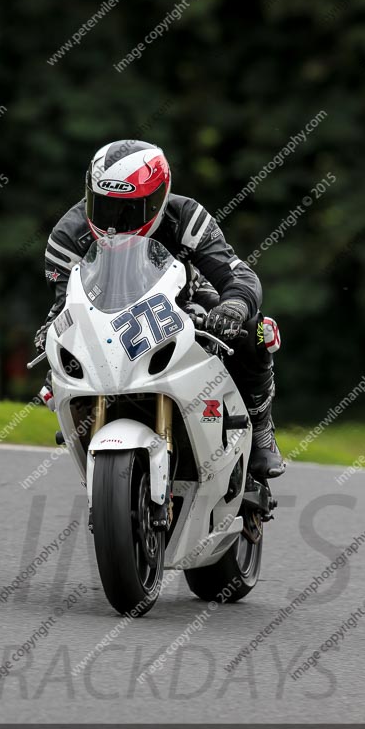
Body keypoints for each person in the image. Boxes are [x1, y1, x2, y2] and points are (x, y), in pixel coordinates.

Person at [34, 140, 285, 480]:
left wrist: (234, 306)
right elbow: (66, 301)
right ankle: (85, 425)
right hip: (103, 320)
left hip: (184, 303)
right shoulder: (68, 236)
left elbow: (237, 274)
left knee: (257, 329)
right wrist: (52, 327)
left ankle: (259, 428)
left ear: (158, 200)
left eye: (128, 210)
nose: (113, 223)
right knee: (55, 366)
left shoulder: (187, 217)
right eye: (104, 207)